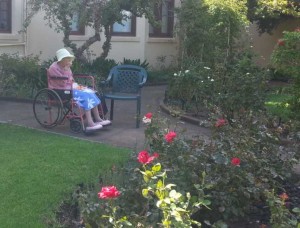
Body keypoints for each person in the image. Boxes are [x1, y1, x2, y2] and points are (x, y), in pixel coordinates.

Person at [48, 48, 111, 131]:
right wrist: (66, 71)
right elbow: (62, 83)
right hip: (60, 90)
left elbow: (71, 79)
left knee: (90, 92)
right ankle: (90, 122)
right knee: (85, 96)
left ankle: (98, 118)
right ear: (62, 59)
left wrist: (69, 74)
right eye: (68, 59)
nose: (69, 61)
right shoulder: (53, 68)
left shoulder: (66, 66)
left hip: (71, 87)